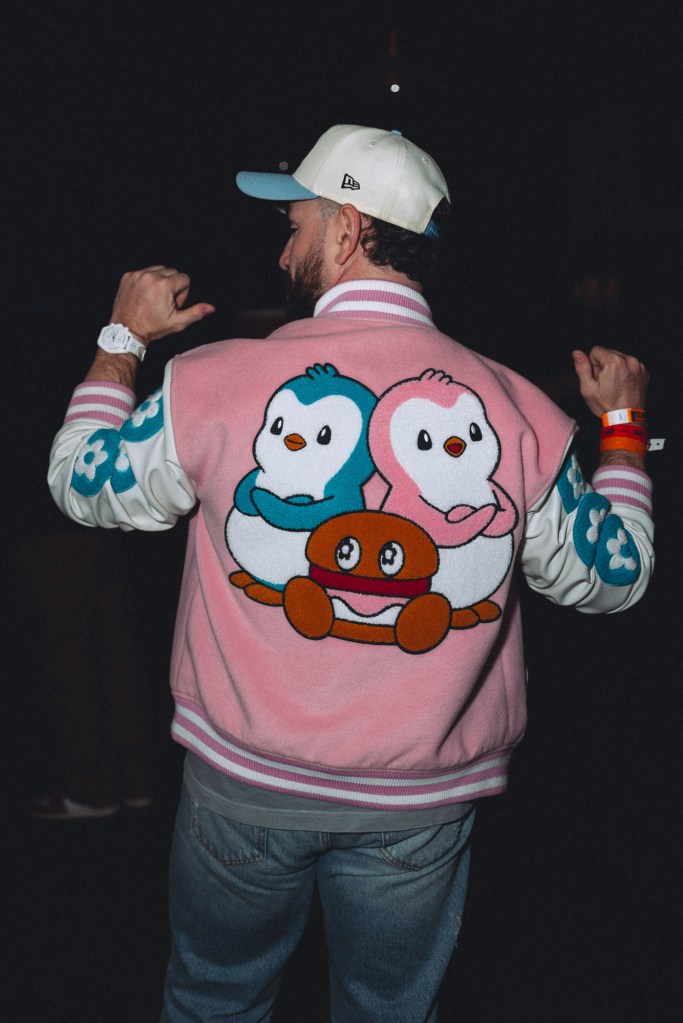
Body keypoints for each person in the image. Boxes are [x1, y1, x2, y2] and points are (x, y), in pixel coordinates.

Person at [48, 125, 653, 1022]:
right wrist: (623, 428)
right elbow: (615, 575)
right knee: (388, 1009)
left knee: (215, 996)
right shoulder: (517, 409)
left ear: (345, 229)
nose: (281, 249)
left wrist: (121, 338)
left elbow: (79, 481)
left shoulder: (215, 379)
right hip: (419, 805)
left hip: (245, 786)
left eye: (294, 224)